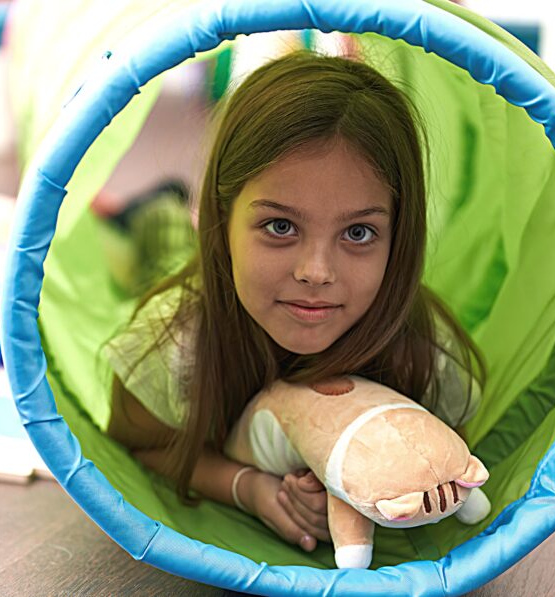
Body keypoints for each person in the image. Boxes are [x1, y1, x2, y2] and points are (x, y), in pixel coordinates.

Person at [102, 51, 485, 555]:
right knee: (163, 238)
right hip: (182, 248)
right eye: (280, 226)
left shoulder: (424, 356)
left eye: (358, 232)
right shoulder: (177, 343)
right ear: (223, 216)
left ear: (400, 235)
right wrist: (248, 487)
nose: (316, 272)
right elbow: (138, 446)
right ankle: (160, 206)